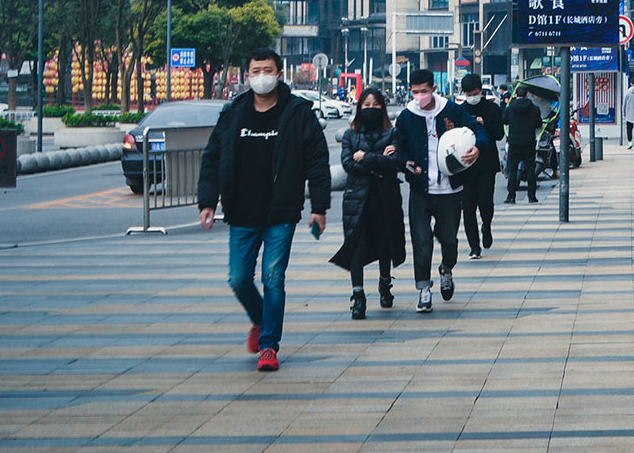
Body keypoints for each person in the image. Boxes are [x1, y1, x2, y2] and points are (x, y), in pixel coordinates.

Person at [196, 48, 330, 372]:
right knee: (238, 278)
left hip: (281, 211)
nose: (261, 76)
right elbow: (212, 158)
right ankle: (259, 318)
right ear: (247, 75)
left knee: (273, 277)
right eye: (255, 70)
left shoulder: (298, 112)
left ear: (280, 74)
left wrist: (319, 208)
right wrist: (207, 201)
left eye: (267, 70)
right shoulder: (233, 113)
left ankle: (269, 345)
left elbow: (317, 161)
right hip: (241, 210)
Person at [394, 69, 483, 312]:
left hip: (450, 190)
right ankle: (423, 289)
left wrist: (477, 148)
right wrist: (405, 163)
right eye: (415, 92)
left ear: (433, 88)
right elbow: (398, 146)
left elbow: (477, 130)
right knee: (421, 241)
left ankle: (446, 269)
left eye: (424, 91)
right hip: (421, 191)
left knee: (449, 241)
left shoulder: (451, 110)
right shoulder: (406, 117)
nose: (420, 96)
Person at [331, 89, 405, 319]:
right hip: (357, 199)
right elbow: (347, 165)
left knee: (386, 245)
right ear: (359, 107)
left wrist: (367, 157)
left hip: (385, 197)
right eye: (366, 104)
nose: (370, 108)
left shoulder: (392, 132)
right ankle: (358, 296)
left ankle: (385, 284)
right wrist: (379, 159)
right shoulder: (350, 134)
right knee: (357, 246)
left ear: (382, 106)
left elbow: (395, 162)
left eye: (375, 104)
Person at [458, 74, 505, 257]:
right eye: (469, 94)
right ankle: (474, 247)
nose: (473, 97)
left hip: (486, 164)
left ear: (481, 91)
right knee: (468, 207)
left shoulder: (492, 109)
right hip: (465, 165)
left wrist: (484, 125)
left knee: (485, 203)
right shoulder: (459, 111)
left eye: (475, 93)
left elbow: (500, 134)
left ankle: (487, 225)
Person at [503, 84, 543, 203]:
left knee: (512, 170)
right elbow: (538, 125)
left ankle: (511, 196)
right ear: (527, 95)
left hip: (514, 142)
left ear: (516, 95)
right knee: (530, 170)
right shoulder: (535, 109)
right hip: (529, 142)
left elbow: (504, 121)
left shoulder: (509, 109)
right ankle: (532, 196)